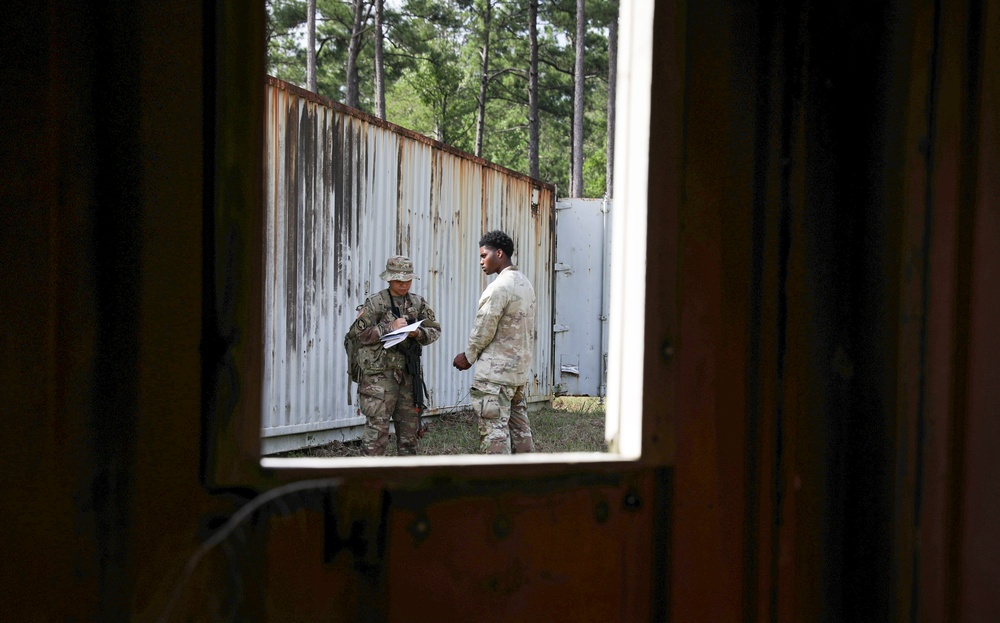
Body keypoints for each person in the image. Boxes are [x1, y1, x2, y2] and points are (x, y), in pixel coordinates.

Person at [453, 230, 536, 454]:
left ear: (499, 253)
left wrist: (468, 356)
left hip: (495, 377)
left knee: (495, 437)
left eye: (484, 255)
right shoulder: (525, 284)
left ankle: (499, 486)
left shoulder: (499, 287)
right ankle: (530, 483)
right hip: (517, 375)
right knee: (521, 433)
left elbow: (484, 328)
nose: (481, 261)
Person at [347, 255, 440, 456]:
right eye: (399, 280)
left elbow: (435, 330)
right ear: (389, 279)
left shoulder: (417, 302)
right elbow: (359, 335)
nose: (404, 285)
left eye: (408, 280)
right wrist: (389, 327)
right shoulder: (375, 303)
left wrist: (419, 333)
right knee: (376, 432)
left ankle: (406, 479)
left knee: (409, 434)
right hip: (379, 377)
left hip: (408, 376)